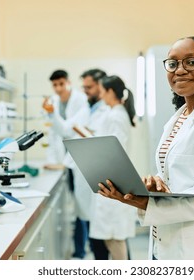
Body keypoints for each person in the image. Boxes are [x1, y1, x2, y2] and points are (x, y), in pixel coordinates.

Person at [98, 36, 194, 260]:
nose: (180, 70)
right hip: (170, 241)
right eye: (173, 63)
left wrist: (148, 202)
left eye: (191, 62)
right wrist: (154, 185)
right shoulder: (179, 118)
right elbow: (177, 173)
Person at [43, 68, 110, 259]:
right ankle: (85, 252)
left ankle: (87, 251)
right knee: (87, 214)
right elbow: (65, 130)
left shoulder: (98, 107)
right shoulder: (88, 107)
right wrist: (51, 113)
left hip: (94, 168)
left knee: (100, 222)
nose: (86, 90)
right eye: (85, 87)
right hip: (77, 164)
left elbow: (101, 139)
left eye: (89, 87)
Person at [88, 75, 137, 260]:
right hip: (109, 181)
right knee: (111, 239)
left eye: (102, 91)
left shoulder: (116, 115)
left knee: (115, 240)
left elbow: (117, 151)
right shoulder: (114, 113)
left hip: (113, 183)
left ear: (110, 92)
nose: (100, 95)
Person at [42, 69, 88, 259]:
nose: (58, 88)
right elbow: (52, 135)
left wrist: (53, 116)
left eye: (61, 83)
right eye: (55, 85)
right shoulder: (51, 102)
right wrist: (54, 162)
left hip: (80, 160)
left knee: (81, 205)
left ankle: (81, 249)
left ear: (68, 82)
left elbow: (69, 131)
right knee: (77, 206)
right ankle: (79, 248)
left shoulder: (80, 101)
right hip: (65, 162)